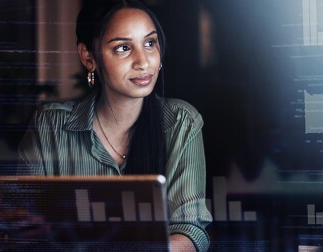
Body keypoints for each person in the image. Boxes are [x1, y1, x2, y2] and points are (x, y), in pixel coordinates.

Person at [17, 0, 211, 251]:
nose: (143, 61)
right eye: (123, 48)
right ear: (89, 57)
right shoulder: (50, 126)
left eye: (150, 43)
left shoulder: (181, 123)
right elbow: (22, 226)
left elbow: (190, 231)